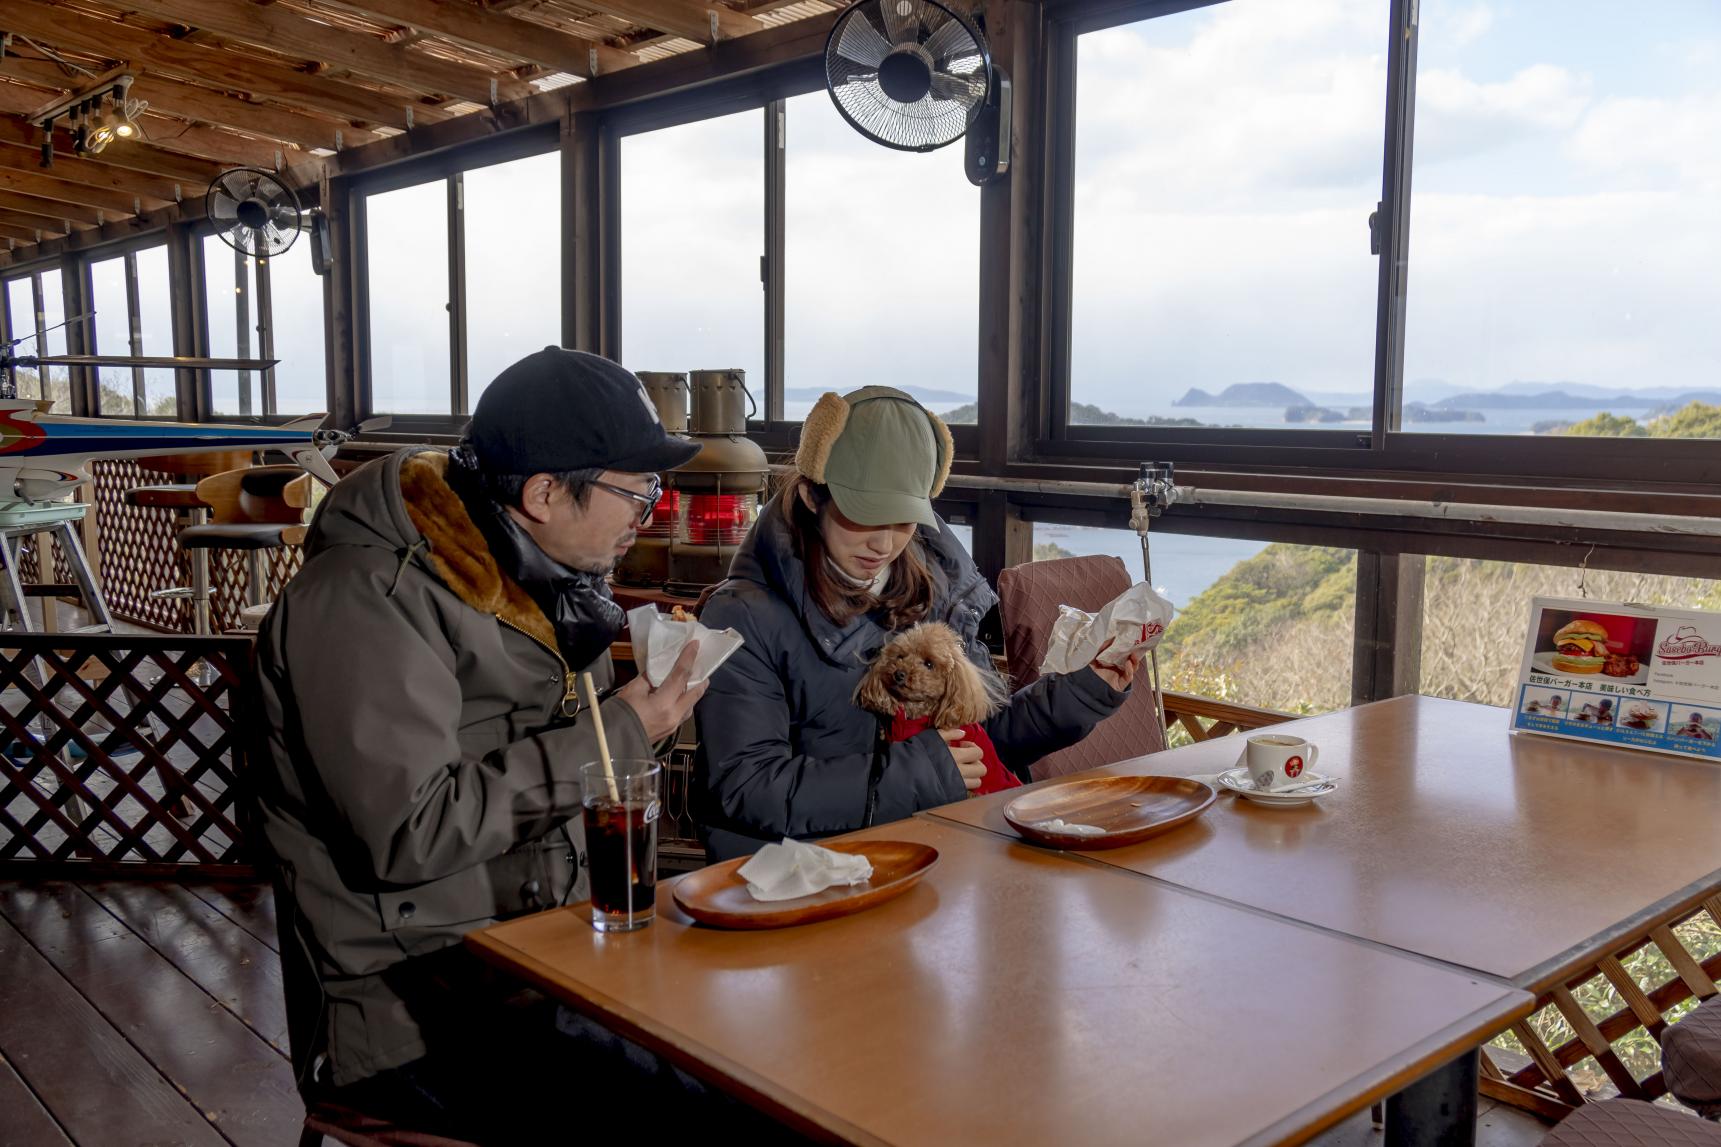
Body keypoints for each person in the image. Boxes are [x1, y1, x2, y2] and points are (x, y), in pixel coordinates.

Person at [252, 349, 771, 1142]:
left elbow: (572, 769)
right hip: (418, 1006)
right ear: (541, 493)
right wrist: (627, 729)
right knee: (720, 1115)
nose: (649, 511)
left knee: (772, 1058)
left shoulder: (549, 579)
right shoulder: (365, 598)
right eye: (636, 490)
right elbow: (409, 832)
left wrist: (640, 728)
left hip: (548, 960)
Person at [694, 386, 1137, 860]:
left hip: (932, 854)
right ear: (810, 496)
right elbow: (745, 787)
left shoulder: (937, 590)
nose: (883, 544)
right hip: (805, 877)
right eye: (862, 517)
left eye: (903, 521)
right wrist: (924, 772)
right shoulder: (742, 616)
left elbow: (978, 741)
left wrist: (1081, 692)